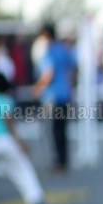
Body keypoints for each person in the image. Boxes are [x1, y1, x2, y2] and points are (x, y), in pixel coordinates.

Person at [0, 70, 46, 204]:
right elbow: (9, 123)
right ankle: (35, 201)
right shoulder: (5, 100)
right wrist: (21, 143)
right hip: (4, 141)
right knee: (22, 168)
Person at [32, 23, 77, 174]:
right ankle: (63, 161)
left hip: (53, 96)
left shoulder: (50, 51)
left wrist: (38, 88)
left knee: (54, 131)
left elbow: (48, 73)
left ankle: (58, 162)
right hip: (65, 94)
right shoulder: (64, 50)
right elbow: (73, 70)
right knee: (62, 130)